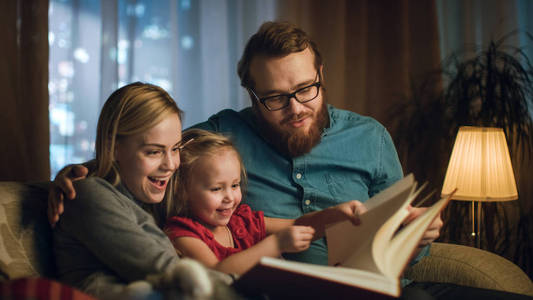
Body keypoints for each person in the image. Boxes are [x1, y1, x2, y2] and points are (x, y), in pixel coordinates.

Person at [49, 22, 532, 299]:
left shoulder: (371, 137)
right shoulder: (222, 133)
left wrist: (415, 236)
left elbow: (403, 242)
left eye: (306, 90)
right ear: (252, 94)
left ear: (320, 74)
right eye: (276, 98)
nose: (297, 108)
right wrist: (79, 172)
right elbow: (153, 159)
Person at [52, 82, 234, 300]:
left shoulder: (153, 194)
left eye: (175, 149)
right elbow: (167, 271)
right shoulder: (86, 194)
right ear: (114, 146)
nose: (171, 164)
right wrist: (243, 285)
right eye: (154, 152)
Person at [164, 128, 366, 275]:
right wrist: (276, 244)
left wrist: (335, 214)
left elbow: (297, 225)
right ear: (182, 192)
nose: (229, 197)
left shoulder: (241, 221)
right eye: (216, 188)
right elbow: (218, 274)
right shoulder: (183, 233)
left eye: (235, 185)